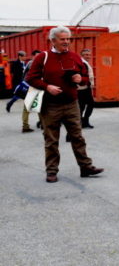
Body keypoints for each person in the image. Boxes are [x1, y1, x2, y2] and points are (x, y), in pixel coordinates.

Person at [25, 26, 104, 183]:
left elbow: (86, 77)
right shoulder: (43, 57)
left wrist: (80, 79)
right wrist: (47, 87)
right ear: (53, 40)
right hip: (50, 105)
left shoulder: (75, 57)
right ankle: (52, 171)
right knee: (51, 140)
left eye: (68, 39)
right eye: (63, 39)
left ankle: (85, 167)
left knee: (78, 137)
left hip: (71, 103)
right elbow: (30, 78)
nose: (66, 42)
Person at [77, 48, 95, 128]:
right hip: (81, 88)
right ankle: (82, 121)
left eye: (89, 55)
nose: (88, 56)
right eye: (86, 55)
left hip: (86, 87)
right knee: (83, 105)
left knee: (85, 105)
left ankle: (84, 121)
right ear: (82, 55)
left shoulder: (85, 63)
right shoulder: (81, 63)